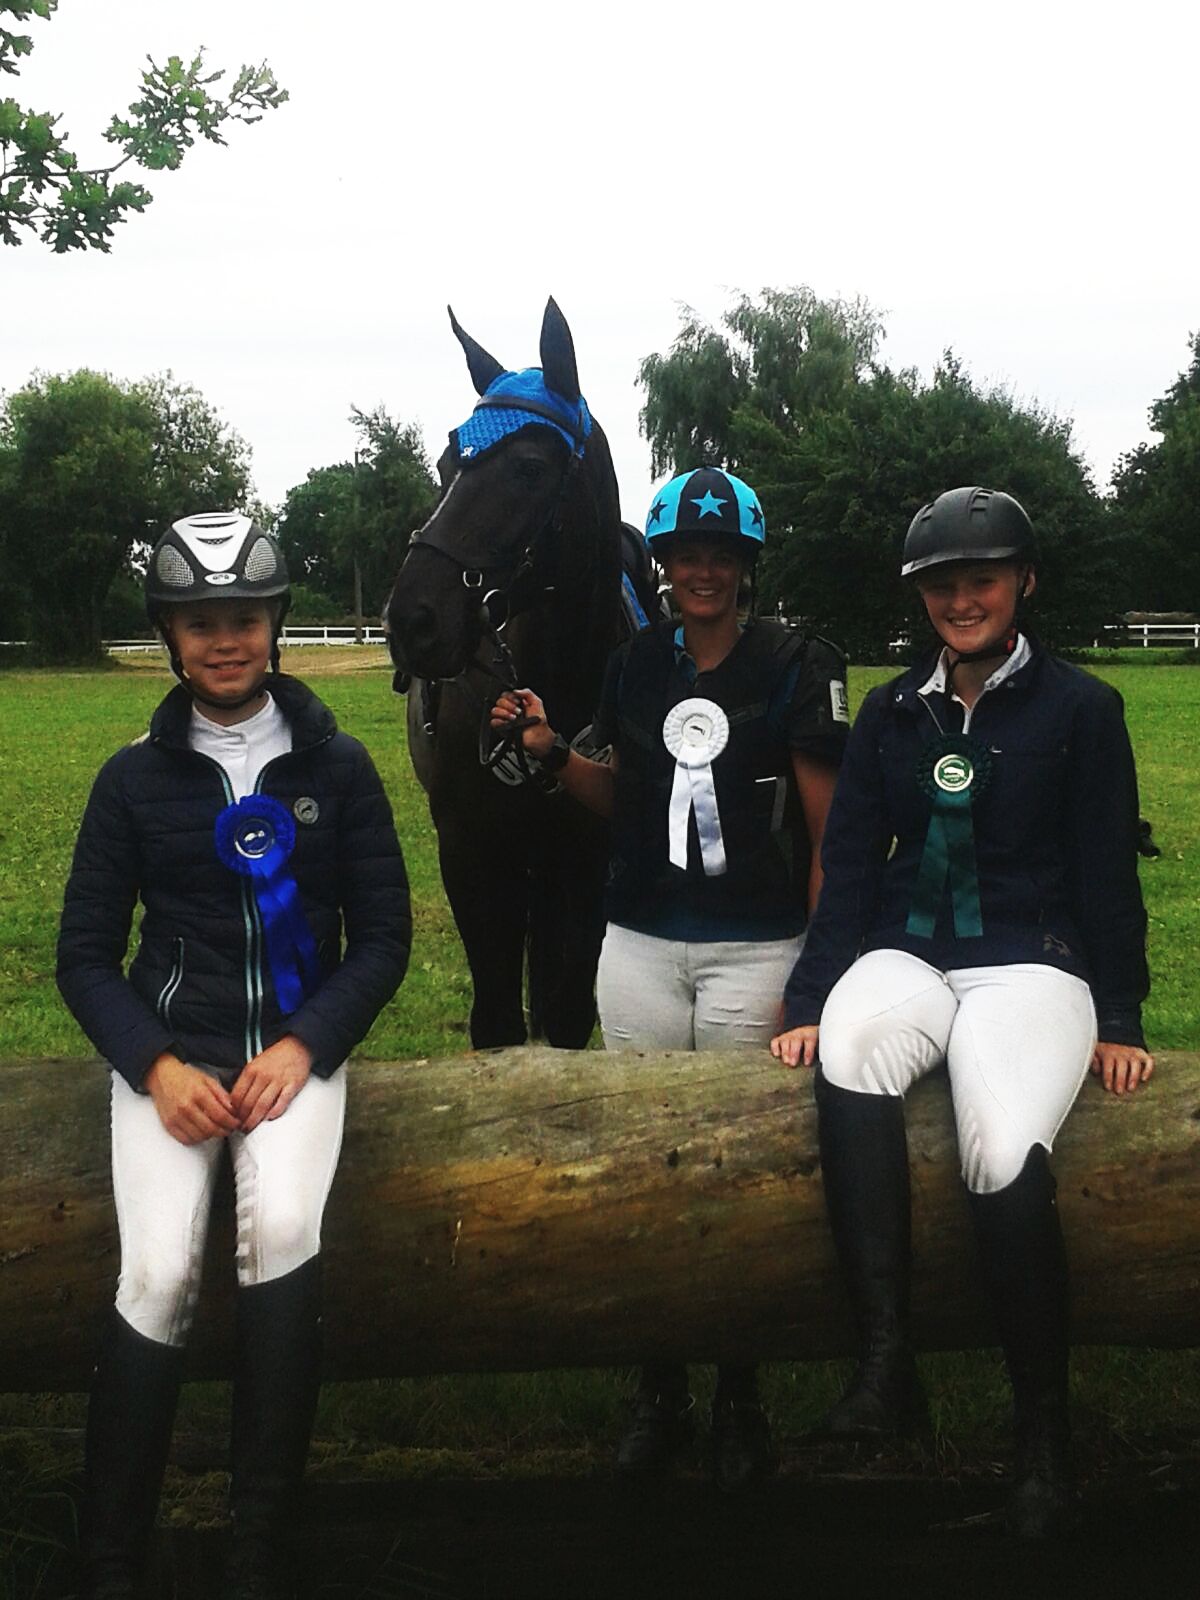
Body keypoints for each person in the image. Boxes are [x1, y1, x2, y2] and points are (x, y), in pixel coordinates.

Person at [770, 486, 1153, 1537]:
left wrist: (1120, 1015)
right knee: (852, 1047)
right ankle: (886, 1367)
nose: (961, 601)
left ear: (1022, 582)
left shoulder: (1082, 709)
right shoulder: (895, 710)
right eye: (942, 586)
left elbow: (1106, 873)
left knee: (997, 1143)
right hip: (911, 950)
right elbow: (851, 862)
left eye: (981, 580)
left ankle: (1043, 1449)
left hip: (1030, 960)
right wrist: (811, 996)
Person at [57, 513, 412, 1599]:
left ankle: (260, 1545)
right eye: (201, 622)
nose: (226, 641)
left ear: (275, 625)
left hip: (293, 1061)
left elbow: (385, 937)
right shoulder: (131, 780)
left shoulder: (338, 766)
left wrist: (307, 1044)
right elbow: (83, 956)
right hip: (175, 1066)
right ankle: (110, 1557)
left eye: (245, 619)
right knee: (159, 1273)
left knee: (284, 1233)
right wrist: (156, 1067)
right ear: (170, 634)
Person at [491, 466, 848, 1491]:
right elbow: (628, 801)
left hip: (757, 946)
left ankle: (740, 1391)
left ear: (744, 565)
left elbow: (827, 833)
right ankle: (661, 1387)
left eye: (719, 554)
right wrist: (551, 753)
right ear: (664, 564)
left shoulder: (796, 663)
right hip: (640, 943)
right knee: (645, 1165)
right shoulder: (635, 666)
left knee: (735, 1171)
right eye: (686, 553)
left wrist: (816, 971)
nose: (702, 570)